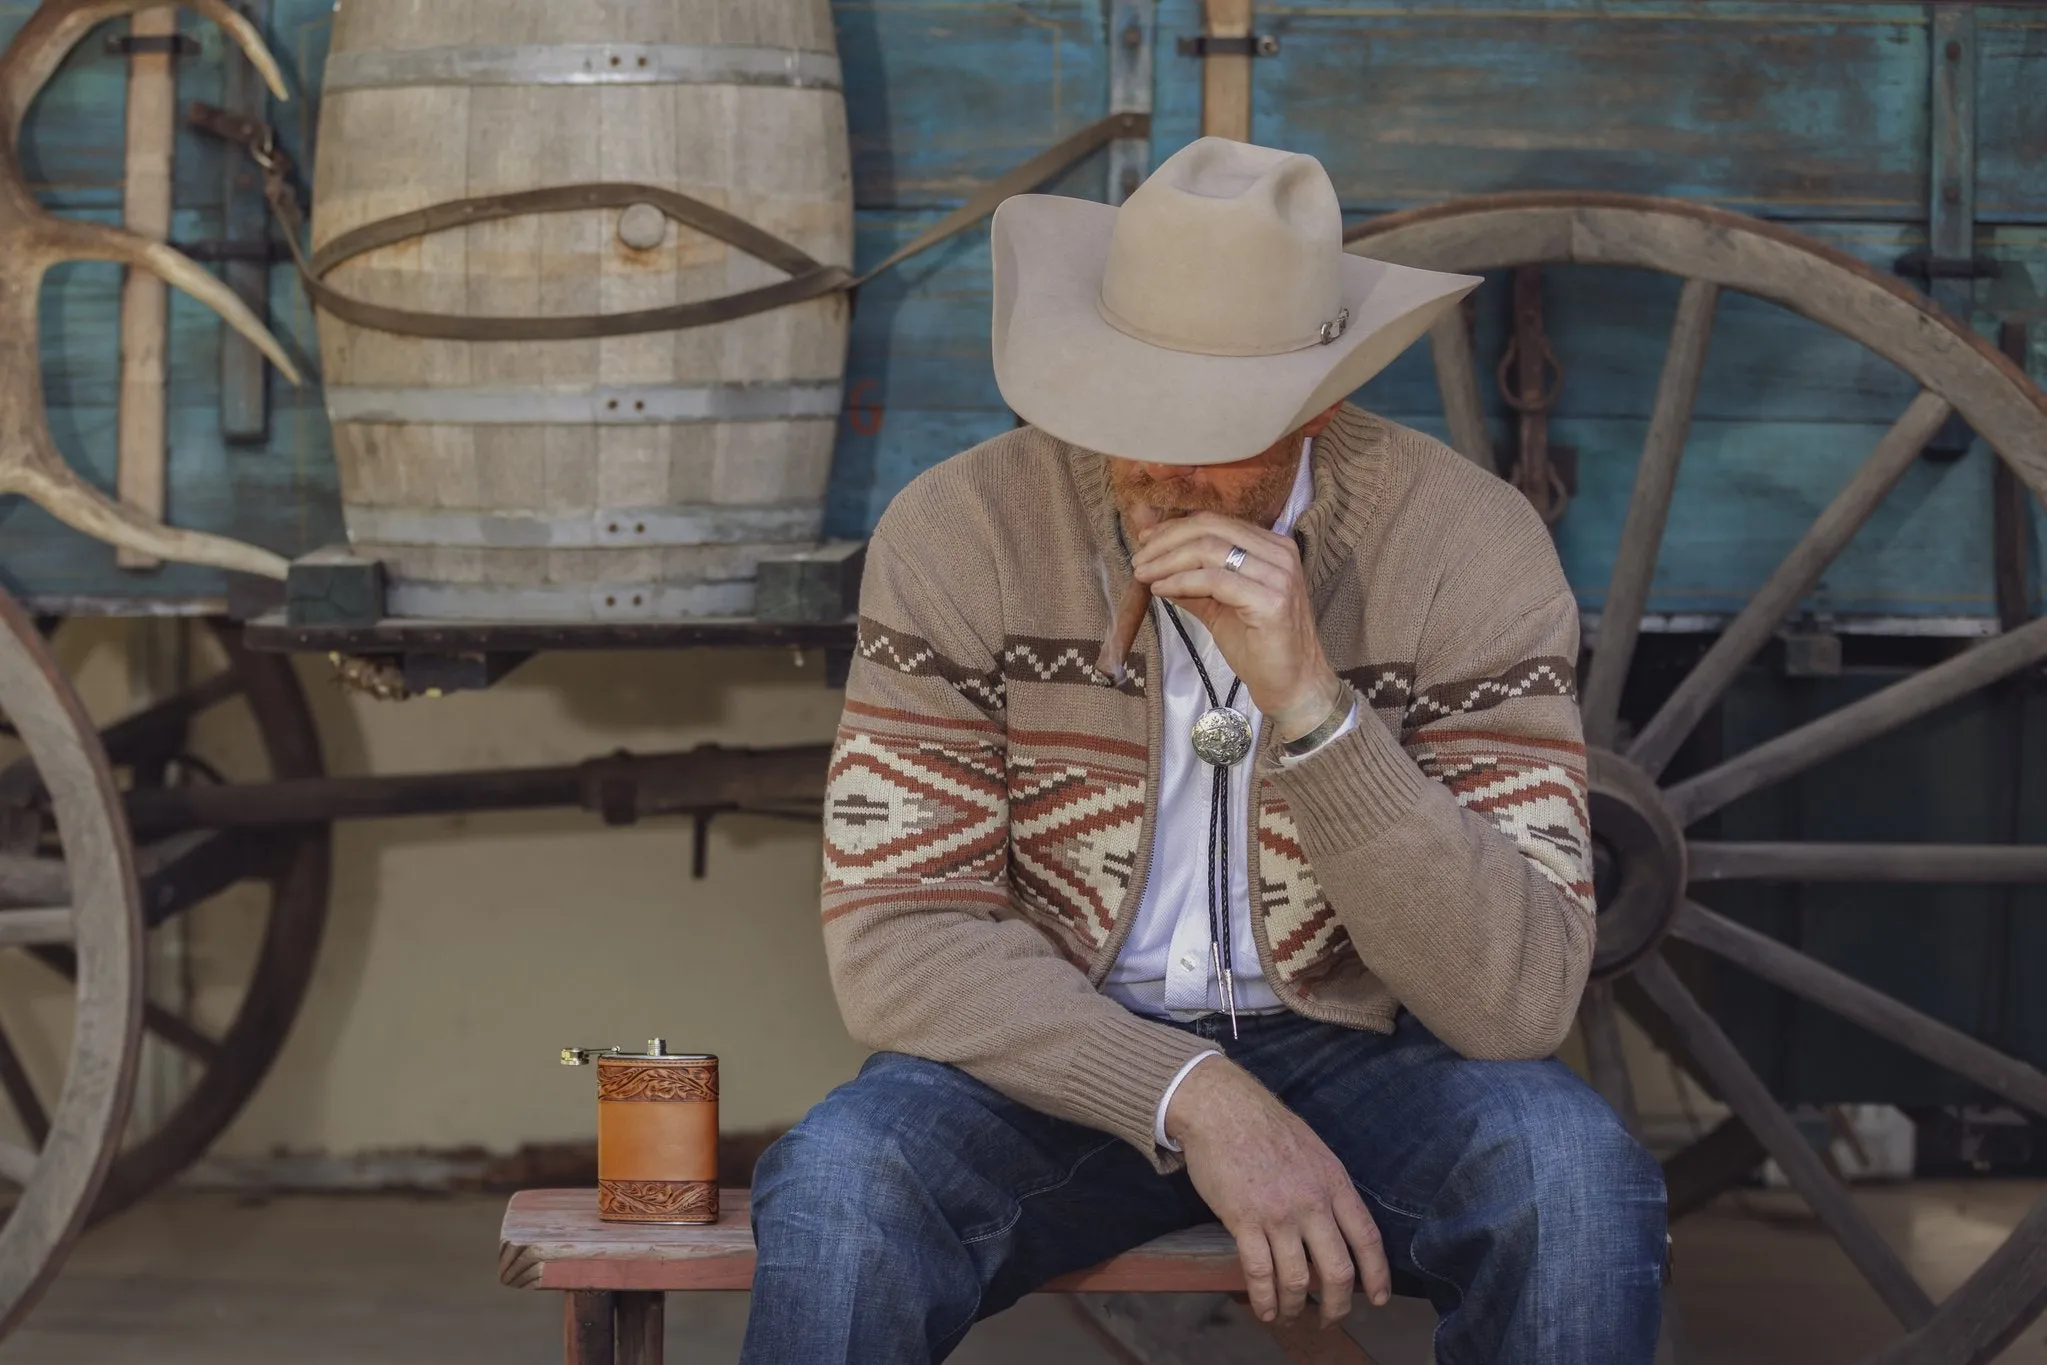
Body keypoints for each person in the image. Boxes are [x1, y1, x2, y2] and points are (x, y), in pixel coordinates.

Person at [740, 137, 1666, 1364]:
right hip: (1053, 1060)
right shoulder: (957, 531)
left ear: (1318, 408)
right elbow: (899, 942)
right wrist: (1194, 1096)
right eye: (1128, 407)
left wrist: (1319, 713)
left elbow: (1519, 999)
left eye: (1216, 428)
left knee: (1573, 1177)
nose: (1162, 471)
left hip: (1367, 1058)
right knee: (842, 1181)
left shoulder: (1469, 545)